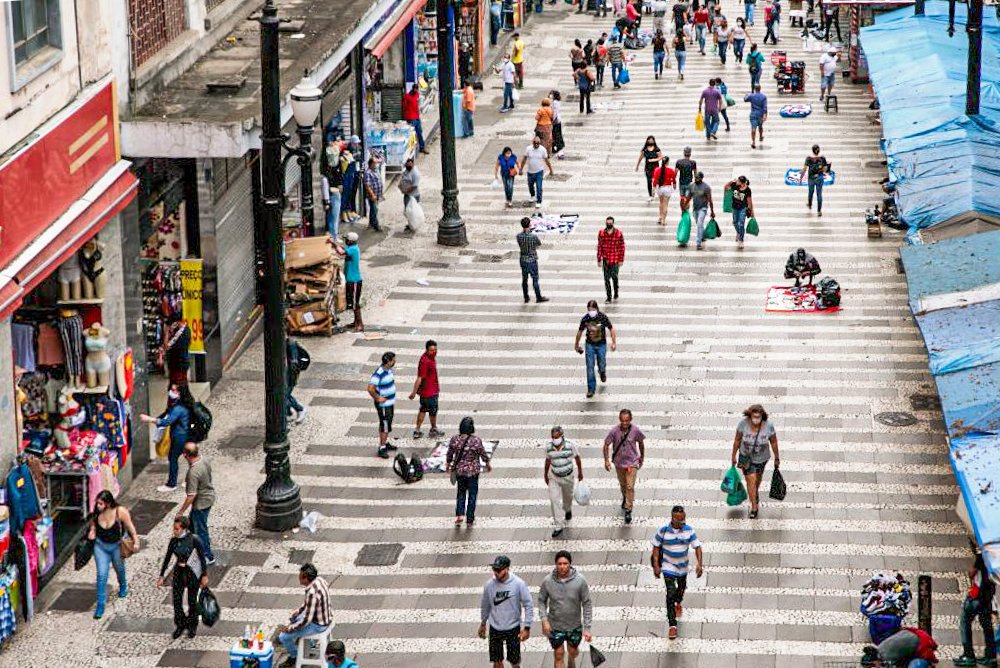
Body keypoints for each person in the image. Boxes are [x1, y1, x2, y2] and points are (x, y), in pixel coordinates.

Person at [650, 505, 704, 640]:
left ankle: (678, 602)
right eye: (679, 520)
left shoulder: (689, 530)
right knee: (670, 593)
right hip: (668, 567)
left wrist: (699, 564)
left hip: (683, 568)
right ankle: (672, 625)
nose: (681, 523)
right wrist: (656, 566)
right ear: (672, 518)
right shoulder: (663, 531)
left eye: (683, 519)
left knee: (680, 589)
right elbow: (656, 548)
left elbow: (697, 547)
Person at [157, 515, 209, 640]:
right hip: (179, 572)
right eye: (174, 528)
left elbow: (202, 558)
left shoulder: (194, 539)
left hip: (191, 572)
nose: (174, 531)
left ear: (184, 529)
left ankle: (192, 625)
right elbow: (167, 558)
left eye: (177, 529)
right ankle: (180, 624)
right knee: (176, 600)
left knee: (192, 600)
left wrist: (204, 575)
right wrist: (161, 575)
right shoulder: (173, 541)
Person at [89, 490, 138, 619]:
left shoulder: (120, 511)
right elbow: (93, 524)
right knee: (101, 575)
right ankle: (100, 605)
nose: (98, 506)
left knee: (119, 568)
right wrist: (92, 531)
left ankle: (123, 585)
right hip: (101, 546)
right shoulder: (96, 512)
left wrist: (136, 541)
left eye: (100, 503)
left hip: (116, 546)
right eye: (97, 503)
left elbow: (130, 526)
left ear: (108, 503)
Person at [538, 551, 593, 664]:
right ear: (556, 564)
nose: (562, 566)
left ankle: (571, 658)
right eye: (559, 564)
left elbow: (587, 603)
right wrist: (544, 620)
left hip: (574, 626)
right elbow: (541, 600)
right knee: (558, 655)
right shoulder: (548, 581)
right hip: (555, 626)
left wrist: (587, 628)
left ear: (570, 564)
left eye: (565, 563)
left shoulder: (580, 581)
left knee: (573, 652)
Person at [479, 555, 533, 668]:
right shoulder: (489, 585)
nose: (496, 573)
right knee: (496, 661)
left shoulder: (518, 584)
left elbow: (528, 604)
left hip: (513, 628)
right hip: (495, 628)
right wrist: (483, 623)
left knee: (514, 661)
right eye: (494, 569)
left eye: (499, 570)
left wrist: (527, 627)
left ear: (507, 569)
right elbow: (485, 605)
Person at [276, 563, 332, 668]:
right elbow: (309, 604)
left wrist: (290, 628)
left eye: (300, 575)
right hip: (325, 616)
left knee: (283, 637)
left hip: (318, 624)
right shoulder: (319, 580)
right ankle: (304, 640)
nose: (298, 577)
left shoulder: (312, 593)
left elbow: (307, 620)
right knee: (294, 617)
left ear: (305, 578)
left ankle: (294, 656)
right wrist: (299, 610)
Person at [730, 404, 780, 518]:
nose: (756, 419)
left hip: (762, 458)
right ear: (750, 415)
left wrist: (777, 457)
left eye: (758, 417)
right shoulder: (743, 424)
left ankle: (755, 493)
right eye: (754, 416)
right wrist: (733, 455)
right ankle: (754, 506)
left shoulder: (769, 426)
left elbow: (774, 442)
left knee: (757, 479)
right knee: (751, 481)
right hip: (746, 457)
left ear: (762, 416)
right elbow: (737, 440)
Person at [141, 383, 193, 493]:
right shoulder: (185, 403)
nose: (171, 392)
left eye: (174, 391)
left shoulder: (178, 407)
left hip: (179, 437)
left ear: (180, 393)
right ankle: (191, 480)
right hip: (186, 435)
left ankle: (171, 484)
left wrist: (149, 419)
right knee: (188, 457)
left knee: (173, 459)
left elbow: (167, 422)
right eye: (171, 390)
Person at [175, 443, 216, 565]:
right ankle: (191, 550)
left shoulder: (193, 472)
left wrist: (181, 511)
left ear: (186, 455)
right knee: (192, 526)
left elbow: (191, 496)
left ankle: (207, 556)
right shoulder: (204, 459)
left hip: (201, 504)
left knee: (201, 530)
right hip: (208, 497)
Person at [954, 550, 997, 667]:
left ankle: (968, 656)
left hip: (977, 595)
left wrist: (973, 568)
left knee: (965, 621)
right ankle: (991, 656)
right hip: (988, 595)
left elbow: (972, 573)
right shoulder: (995, 553)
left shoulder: (982, 554)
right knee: (986, 624)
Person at [603, 408, 644, 524]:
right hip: (619, 463)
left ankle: (628, 509)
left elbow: (641, 443)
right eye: (622, 421)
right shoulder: (614, 431)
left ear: (630, 419)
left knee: (630, 486)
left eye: (627, 421)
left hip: (632, 462)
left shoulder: (635, 430)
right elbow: (606, 444)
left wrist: (642, 457)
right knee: (623, 485)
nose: (625, 423)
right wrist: (606, 460)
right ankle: (625, 497)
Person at [448, 416, 491, 526]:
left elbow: (450, 453)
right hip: (473, 472)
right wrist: (487, 463)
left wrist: (448, 464)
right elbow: (482, 453)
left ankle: (459, 516)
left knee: (461, 493)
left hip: (460, 472)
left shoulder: (455, 439)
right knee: (472, 494)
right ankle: (470, 519)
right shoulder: (476, 440)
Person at [543, 427, 584, 538]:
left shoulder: (571, 445)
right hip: (554, 477)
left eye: (556, 437)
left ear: (562, 436)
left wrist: (580, 473)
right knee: (553, 499)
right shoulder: (548, 447)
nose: (555, 439)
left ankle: (567, 509)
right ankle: (558, 525)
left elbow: (577, 458)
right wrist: (545, 475)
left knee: (568, 497)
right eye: (553, 437)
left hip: (568, 476)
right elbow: (547, 461)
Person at [575, 300, 616, 399]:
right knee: (590, 366)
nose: (591, 311)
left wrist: (614, 342)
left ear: (596, 309)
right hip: (590, 345)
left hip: (601, 344)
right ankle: (591, 389)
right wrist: (576, 344)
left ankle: (602, 372)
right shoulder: (585, 319)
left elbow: (611, 328)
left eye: (592, 309)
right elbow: (580, 331)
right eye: (589, 310)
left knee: (601, 362)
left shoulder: (602, 317)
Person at [409, 340, 444, 439]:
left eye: (435, 350)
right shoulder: (426, 361)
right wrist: (413, 392)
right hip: (430, 392)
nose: (434, 352)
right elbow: (420, 378)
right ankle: (433, 429)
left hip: (426, 392)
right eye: (432, 350)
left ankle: (417, 430)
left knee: (423, 409)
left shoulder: (428, 358)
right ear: (427, 350)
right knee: (432, 411)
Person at [367, 351, 398, 459]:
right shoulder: (379, 373)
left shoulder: (388, 370)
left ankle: (385, 442)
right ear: (388, 361)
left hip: (389, 403)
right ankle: (382, 447)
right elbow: (370, 388)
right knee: (385, 425)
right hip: (384, 405)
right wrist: (377, 398)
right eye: (393, 360)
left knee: (387, 423)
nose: (395, 361)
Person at [862, 627, 939, 667]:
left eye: (873, 665)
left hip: (921, 645)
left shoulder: (887, 656)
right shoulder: (880, 648)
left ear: (874, 661)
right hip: (914, 635)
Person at [517, 217, 549, 303]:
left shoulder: (519, 236)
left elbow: (520, 245)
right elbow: (539, 244)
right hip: (532, 260)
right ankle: (538, 297)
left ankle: (526, 297)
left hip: (523, 260)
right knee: (535, 279)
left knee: (524, 279)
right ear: (529, 225)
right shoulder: (533, 236)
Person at [518, 135, 554, 209]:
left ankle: (539, 201)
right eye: (535, 143)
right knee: (530, 186)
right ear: (532, 142)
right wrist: (521, 169)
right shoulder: (528, 149)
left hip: (539, 172)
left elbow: (546, 160)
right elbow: (524, 159)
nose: (536, 144)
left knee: (539, 187)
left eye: (538, 143)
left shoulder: (543, 150)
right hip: (530, 172)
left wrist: (551, 170)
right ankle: (532, 195)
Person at [596, 217, 625, 303]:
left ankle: (616, 292)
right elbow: (599, 246)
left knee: (614, 278)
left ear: (613, 223)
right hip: (606, 260)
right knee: (606, 279)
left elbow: (621, 247)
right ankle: (609, 297)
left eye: (610, 223)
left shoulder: (619, 233)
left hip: (615, 260)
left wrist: (621, 260)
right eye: (607, 223)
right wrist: (599, 259)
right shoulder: (601, 233)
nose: (609, 224)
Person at [320, 141, 343, 238]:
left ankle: (333, 234)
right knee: (334, 218)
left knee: (332, 218)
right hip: (333, 195)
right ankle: (334, 236)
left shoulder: (328, 174)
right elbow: (325, 188)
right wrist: (327, 202)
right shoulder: (326, 177)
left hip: (333, 195)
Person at [724, 175, 754, 249]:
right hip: (734, 208)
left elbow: (749, 201)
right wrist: (731, 181)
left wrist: (751, 211)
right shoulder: (734, 185)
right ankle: (738, 232)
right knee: (735, 222)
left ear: (742, 183)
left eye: (738, 181)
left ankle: (741, 240)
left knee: (741, 224)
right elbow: (726, 188)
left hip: (743, 208)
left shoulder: (747, 190)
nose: (736, 182)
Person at [800, 144, 831, 215]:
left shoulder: (808, 158)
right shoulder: (822, 158)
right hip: (819, 178)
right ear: (819, 150)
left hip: (811, 178)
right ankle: (819, 211)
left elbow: (804, 169)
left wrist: (801, 178)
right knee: (819, 194)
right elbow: (825, 169)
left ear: (812, 150)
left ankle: (810, 204)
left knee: (810, 192)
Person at [342, 232, 364, 331]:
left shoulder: (354, 249)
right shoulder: (351, 248)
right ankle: (355, 322)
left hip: (354, 280)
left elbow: (341, 252)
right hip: (350, 280)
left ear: (350, 241)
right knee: (352, 302)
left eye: (346, 239)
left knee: (355, 304)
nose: (345, 241)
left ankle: (360, 324)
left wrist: (332, 243)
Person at [689, 171, 715, 250]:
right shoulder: (692, 186)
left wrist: (712, 211)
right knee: (698, 224)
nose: (696, 179)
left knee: (700, 224)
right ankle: (702, 236)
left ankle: (698, 243)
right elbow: (689, 197)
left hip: (703, 208)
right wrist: (684, 206)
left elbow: (710, 200)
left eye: (698, 178)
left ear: (701, 178)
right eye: (695, 177)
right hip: (695, 209)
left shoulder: (706, 187)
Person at [402, 84, 429, 155]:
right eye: (415, 89)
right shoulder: (407, 96)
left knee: (419, 132)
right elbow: (404, 107)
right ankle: (411, 151)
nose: (416, 91)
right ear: (412, 89)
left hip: (417, 117)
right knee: (412, 135)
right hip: (411, 118)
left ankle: (422, 147)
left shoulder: (417, 95)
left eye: (417, 89)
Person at [164, 315, 191, 386]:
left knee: (179, 386)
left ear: (178, 322)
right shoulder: (179, 330)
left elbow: (167, 346)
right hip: (177, 364)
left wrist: (167, 333)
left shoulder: (184, 333)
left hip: (180, 364)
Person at [635, 136, 663, 201]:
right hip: (648, 168)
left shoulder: (657, 149)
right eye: (649, 140)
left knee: (657, 181)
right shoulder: (644, 150)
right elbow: (640, 158)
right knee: (649, 181)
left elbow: (660, 157)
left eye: (652, 140)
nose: (650, 141)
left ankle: (659, 193)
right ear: (647, 141)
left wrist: (654, 160)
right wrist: (637, 166)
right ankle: (650, 195)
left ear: (654, 141)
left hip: (656, 168)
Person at [652, 157, 676, 226]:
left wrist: (653, 190)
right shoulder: (671, 170)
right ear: (667, 162)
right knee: (665, 205)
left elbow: (655, 181)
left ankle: (660, 217)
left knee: (661, 203)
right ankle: (663, 220)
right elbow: (674, 180)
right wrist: (674, 185)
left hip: (660, 188)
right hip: (667, 188)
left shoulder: (657, 170)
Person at [399, 158, 421, 233]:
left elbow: (414, 186)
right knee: (407, 211)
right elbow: (403, 179)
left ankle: (413, 225)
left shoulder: (415, 173)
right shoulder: (406, 171)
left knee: (412, 211)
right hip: (407, 195)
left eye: (409, 164)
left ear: (413, 164)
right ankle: (410, 224)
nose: (408, 166)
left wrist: (406, 191)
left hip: (413, 195)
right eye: (407, 164)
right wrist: (401, 187)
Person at [362, 157, 383, 232]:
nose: (377, 164)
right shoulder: (368, 173)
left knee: (373, 210)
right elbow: (367, 186)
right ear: (371, 164)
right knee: (374, 210)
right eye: (375, 163)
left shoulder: (375, 171)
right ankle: (376, 225)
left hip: (377, 194)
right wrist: (372, 195)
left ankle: (371, 223)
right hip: (372, 195)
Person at [744, 84, 768, 149]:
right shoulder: (764, 97)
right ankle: (760, 137)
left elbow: (745, 99)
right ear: (760, 88)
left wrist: (747, 94)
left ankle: (753, 142)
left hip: (753, 114)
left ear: (755, 89)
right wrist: (765, 115)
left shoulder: (752, 96)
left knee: (753, 128)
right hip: (760, 114)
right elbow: (765, 107)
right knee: (760, 126)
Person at [549, 90, 565, 158]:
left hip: (556, 121)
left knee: (556, 134)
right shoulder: (556, 102)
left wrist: (552, 120)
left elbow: (555, 113)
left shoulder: (555, 102)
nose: (550, 95)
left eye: (551, 94)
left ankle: (558, 147)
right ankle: (555, 147)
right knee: (556, 134)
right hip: (558, 120)